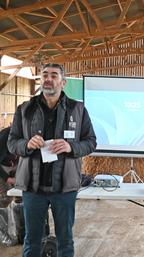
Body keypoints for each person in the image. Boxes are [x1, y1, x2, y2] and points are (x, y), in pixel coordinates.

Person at [7, 63, 97, 257]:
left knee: (65, 241)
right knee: (32, 240)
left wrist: (71, 146)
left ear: (63, 82)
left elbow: (91, 142)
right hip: (33, 188)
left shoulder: (78, 109)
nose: (48, 79)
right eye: (45, 75)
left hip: (64, 189)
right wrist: (27, 144)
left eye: (54, 75)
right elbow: (12, 143)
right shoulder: (25, 109)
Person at [0, 126, 18, 207]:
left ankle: (18, 217)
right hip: (2, 166)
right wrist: (8, 178)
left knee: (21, 195)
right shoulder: (5, 136)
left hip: (17, 164)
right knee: (7, 197)